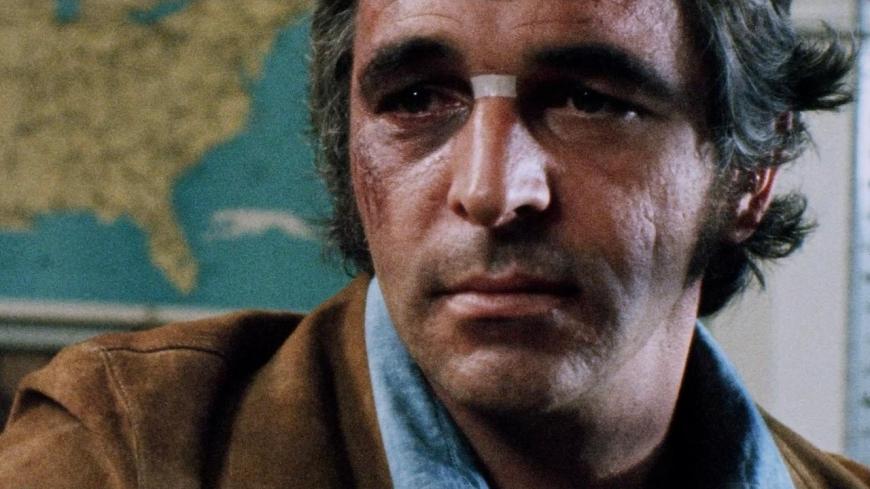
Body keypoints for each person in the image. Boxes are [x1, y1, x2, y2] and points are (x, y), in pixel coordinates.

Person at [0, 0, 863, 487]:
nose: (490, 190)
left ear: (752, 171)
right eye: (416, 99)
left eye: (589, 101)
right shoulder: (126, 454)